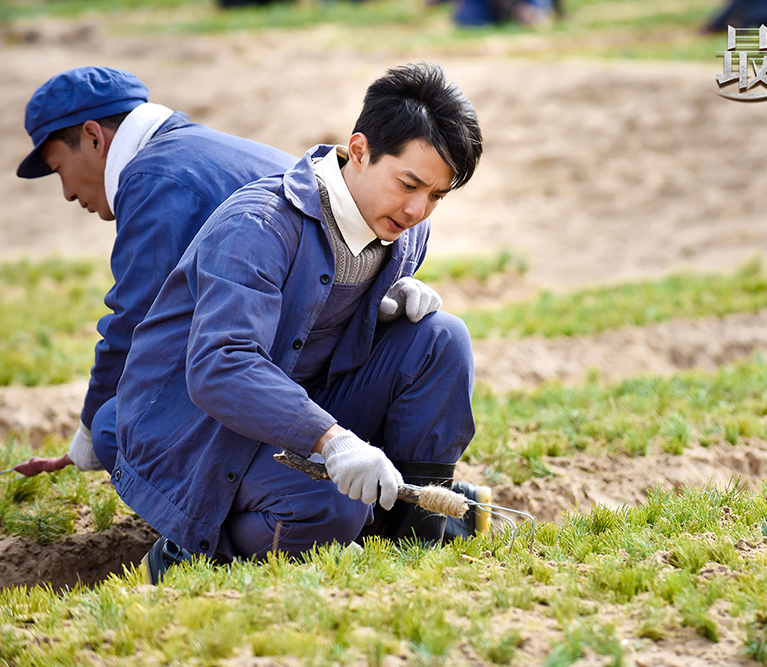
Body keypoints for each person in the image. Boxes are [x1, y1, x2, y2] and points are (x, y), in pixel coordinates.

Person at [108, 62, 486, 582]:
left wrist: (376, 306)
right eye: (410, 184)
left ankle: (407, 524)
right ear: (358, 150)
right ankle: (190, 552)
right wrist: (333, 441)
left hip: (295, 410)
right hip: (197, 434)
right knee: (331, 507)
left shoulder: (403, 229)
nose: (419, 209)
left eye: (437, 196)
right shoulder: (259, 226)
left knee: (441, 339)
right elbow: (222, 367)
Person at [16, 67, 296, 476]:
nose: (68, 193)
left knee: (119, 425)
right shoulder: (208, 149)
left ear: (95, 138)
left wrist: (90, 432)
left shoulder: (153, 178)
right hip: (326, 353)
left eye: (60, 170)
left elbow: (134, 323)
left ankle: (208, 530)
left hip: (292, 373)